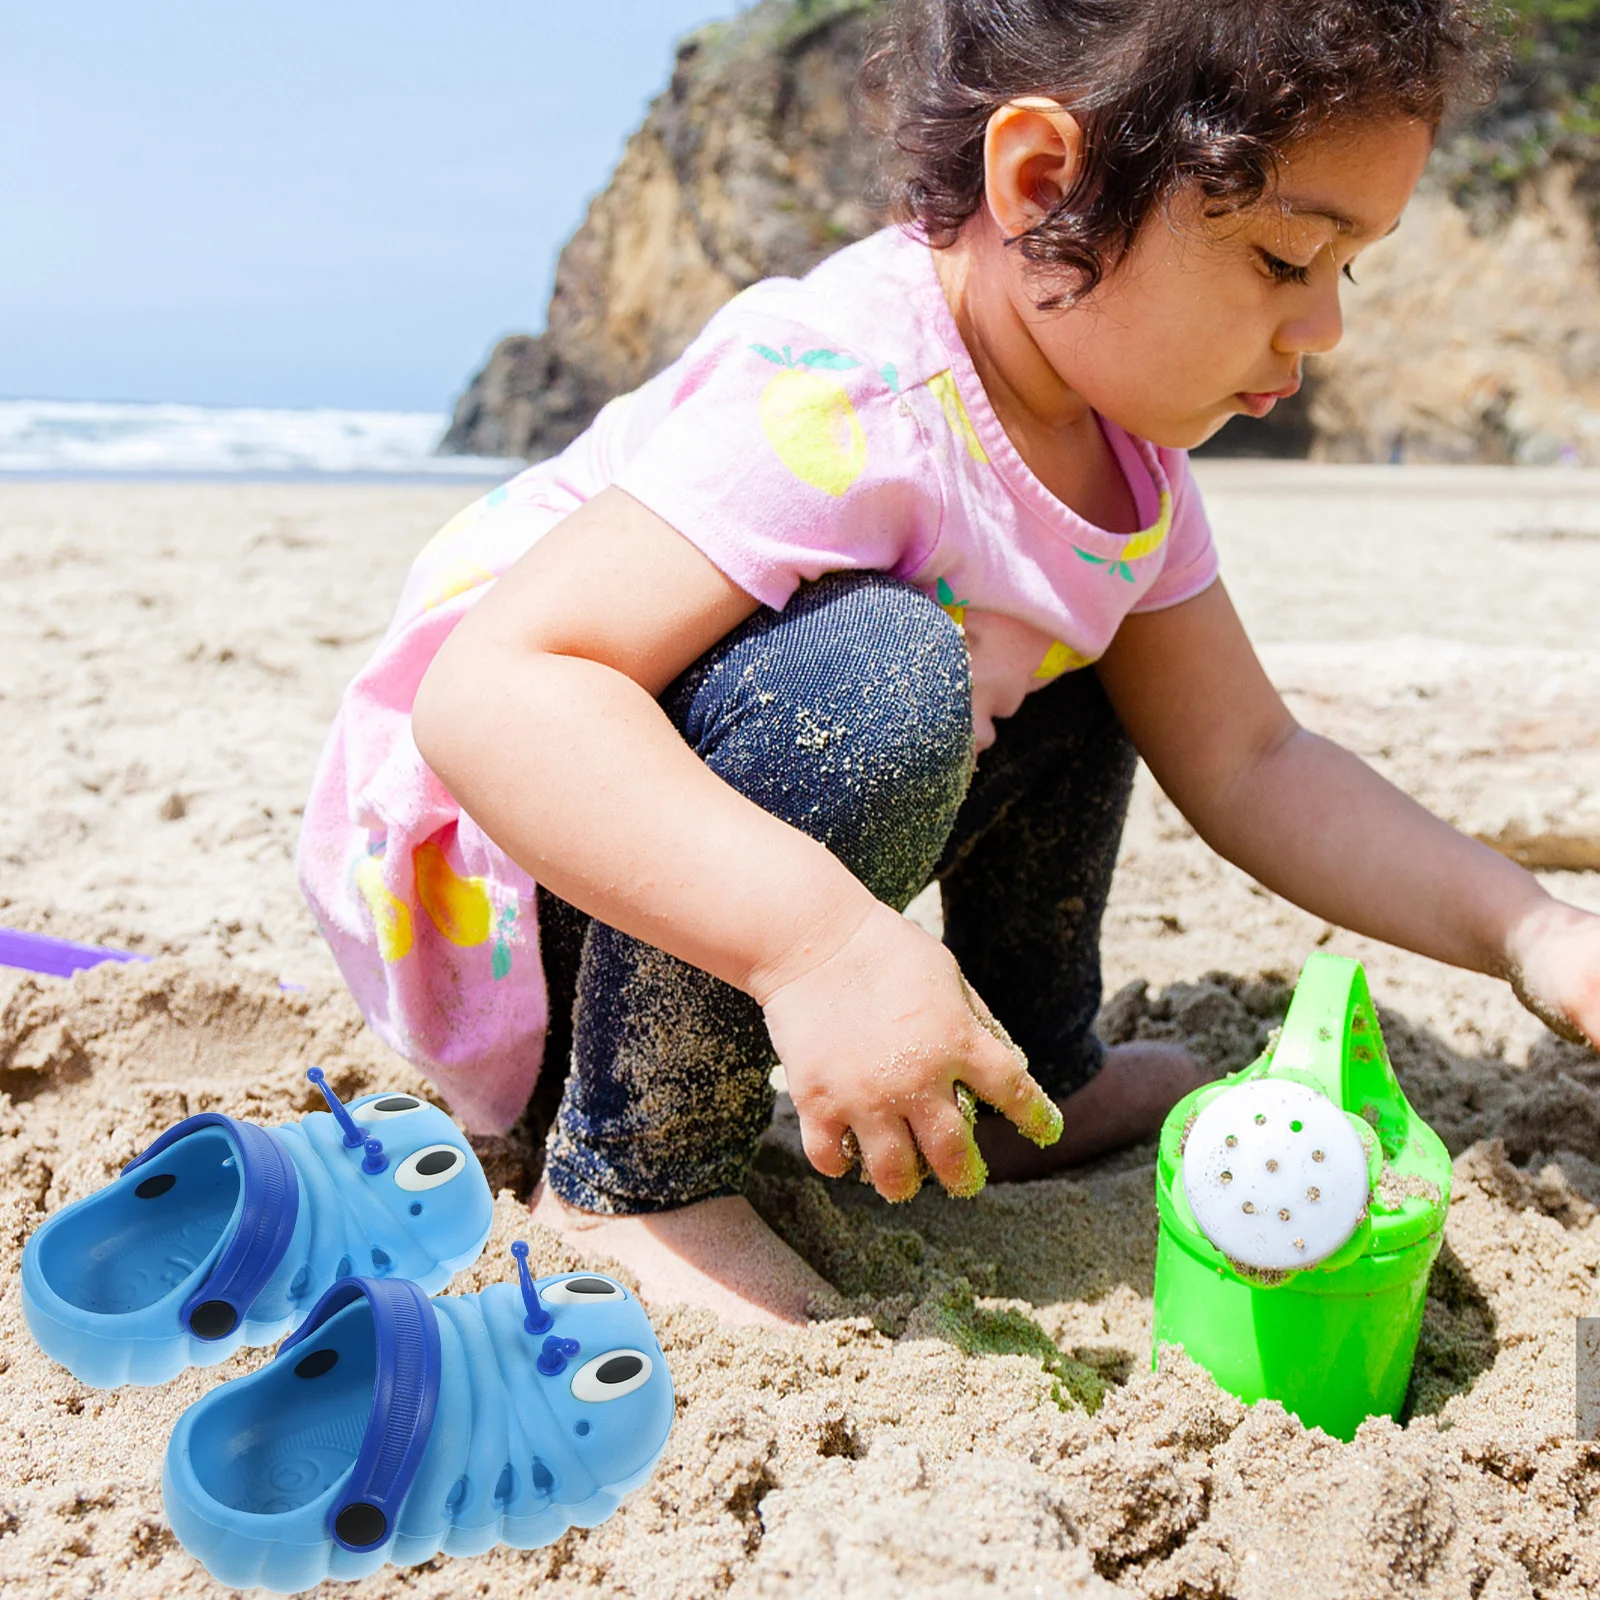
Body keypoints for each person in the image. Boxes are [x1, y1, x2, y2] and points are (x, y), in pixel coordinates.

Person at [298, 0, 1600, 1327]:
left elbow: (1254, 757)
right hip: (525, 861)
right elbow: (496, 693)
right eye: (1284, 258)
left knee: (1076, 650)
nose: (1323, 328)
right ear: (1047, 185)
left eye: (1349, 269)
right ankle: (636, 1168)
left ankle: (1035, 1070)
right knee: (887, 675)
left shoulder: (1123, 451)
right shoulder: (847, 400)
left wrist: (1531, 931)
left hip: (718, 807)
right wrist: (817, 950)